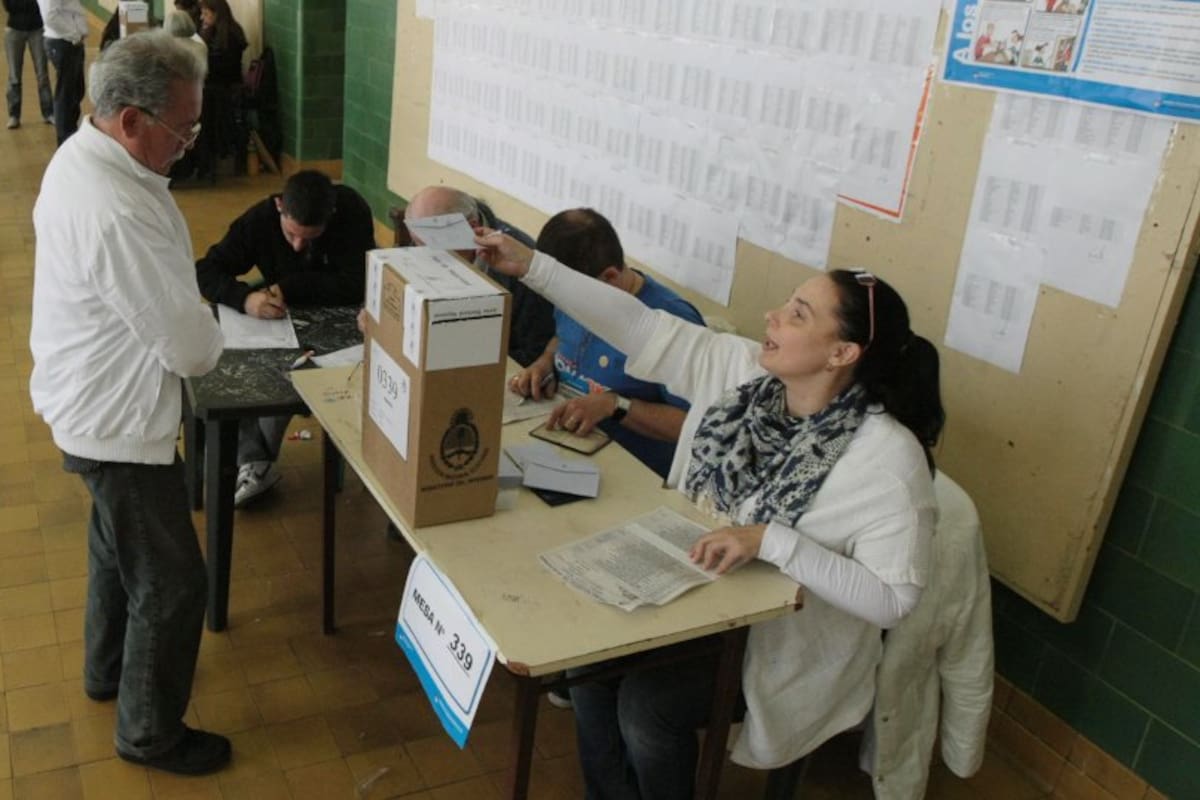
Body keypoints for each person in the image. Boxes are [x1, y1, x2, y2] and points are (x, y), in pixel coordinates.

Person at [475, 232, 944, 800]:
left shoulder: (887, 460)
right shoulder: (747, 378)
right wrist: (531, 266)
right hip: (688, 587)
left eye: (797, 314)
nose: (773, 316)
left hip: (776, 643)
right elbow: (639, 326)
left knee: (647, 707)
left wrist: (774, 541)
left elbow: (895, 600)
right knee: (587, 673)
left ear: (842, 353)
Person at [30, 31, 229, 775]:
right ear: (133, 121)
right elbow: (190, 350)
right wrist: (210, 323)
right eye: (185, 128)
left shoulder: (88, 156)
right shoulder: (112, 206)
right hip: (114, 421)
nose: (191, 143)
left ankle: (107, 670)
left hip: (93, 401)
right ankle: (148, 733)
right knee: (175, 585)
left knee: (116, 552)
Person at [196, 170, 376, 506]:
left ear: (331, 215)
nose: (297, 246)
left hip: (339, 319)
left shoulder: (352, 211)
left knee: (292, 376)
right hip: (277, 317)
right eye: (291, 234)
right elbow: (207, 270)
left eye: (309, 239)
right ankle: (255, 459)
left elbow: (357, 282)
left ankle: (253, 460)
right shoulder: (259, 220)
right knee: (230, 366)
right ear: (280, 206)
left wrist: (291, 286)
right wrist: (245, 299)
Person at [510, 208, 705, 480]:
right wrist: (545, 362)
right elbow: (561, 335)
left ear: (610, 277)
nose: (567, 306)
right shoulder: (573, 287)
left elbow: (698, 427)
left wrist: (615, 405)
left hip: (635, 473)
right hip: (566, 444)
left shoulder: (673, 323)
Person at [404, 185, 555, 367]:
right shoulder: (428, 235)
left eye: (430, 246)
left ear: (472, 228)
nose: (423, 255)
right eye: (417, 243)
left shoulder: (521, 268)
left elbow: (529, 353)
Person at [192, 0, 246, 180]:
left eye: (206, 14)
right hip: (215, 86)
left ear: (217, 14)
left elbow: (226, 69)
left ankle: (204, 161)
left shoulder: (231, 36)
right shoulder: (212, 33)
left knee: (203, 107)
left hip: (224, 89)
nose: (202, 18)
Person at [36, 0, 86, 144]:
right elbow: (50, 16)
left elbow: (72, 8)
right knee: (65, 95)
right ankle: (64, 140)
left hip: (72, 42)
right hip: (62, 42)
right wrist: (74, 34)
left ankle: (71, 133)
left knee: (76, 91)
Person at [4, 0, 54, 129]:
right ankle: (14, 115)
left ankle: (48, 113)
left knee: (42, 74)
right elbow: (9, 6)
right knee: (14, 75)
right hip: (14, 30)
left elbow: (43, 6)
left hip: (38, 30)